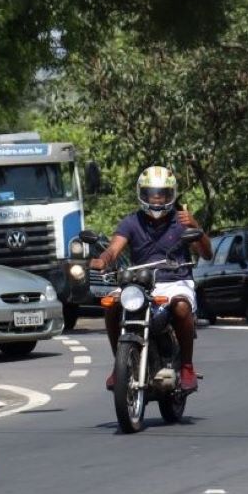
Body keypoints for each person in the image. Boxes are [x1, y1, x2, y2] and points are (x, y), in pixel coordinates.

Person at [89, 166, 212, 392]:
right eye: (151, 194)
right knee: (111, 304)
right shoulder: (131, 221)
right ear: (142, 194)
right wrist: (103, 260)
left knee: (182, 308)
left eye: (162, 194)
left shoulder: (182, 220)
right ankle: (120, 364)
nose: (156, 199)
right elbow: (114, 249)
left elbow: (206, 253)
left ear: (171, 194)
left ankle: (186, 367)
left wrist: (196, 227)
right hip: (139, 282)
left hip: (176, 281)